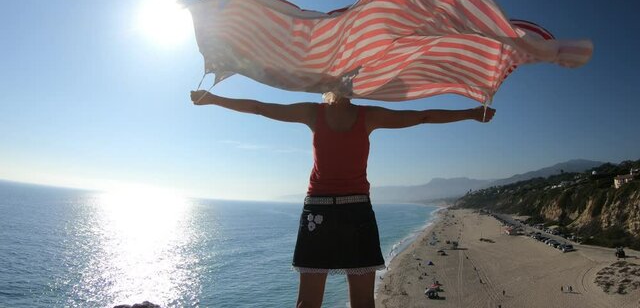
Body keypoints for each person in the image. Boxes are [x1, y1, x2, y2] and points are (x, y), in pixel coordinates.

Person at [191, 90, 496, 308]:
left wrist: (215, 99)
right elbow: (422, 117)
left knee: (308, 303)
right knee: (362, 303)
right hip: (356, 212)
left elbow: (259, 106)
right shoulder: (366, 115)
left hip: (318, 214)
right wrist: (471, 114)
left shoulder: (314, 112)